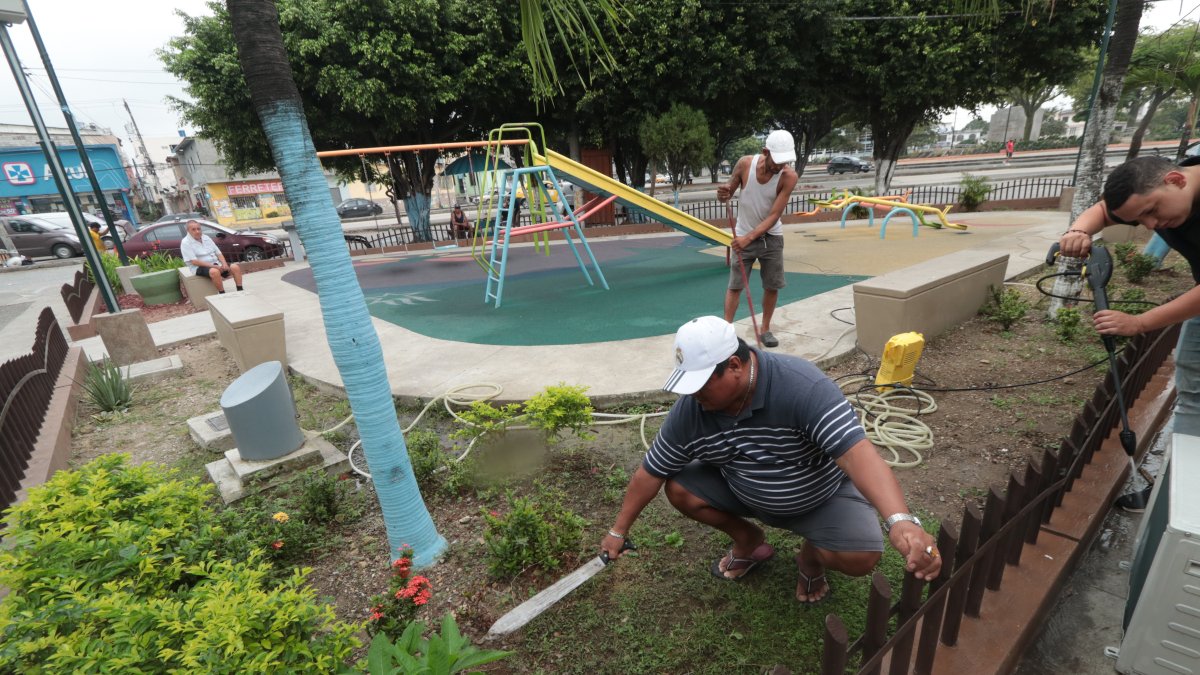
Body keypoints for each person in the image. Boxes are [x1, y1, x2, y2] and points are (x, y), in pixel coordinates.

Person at [601, 316, 941, 604]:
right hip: (743, 491)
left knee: (861, 557)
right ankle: (749, 540)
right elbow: (651, 472)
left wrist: (900, 520)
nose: (693, 396)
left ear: (734, 366)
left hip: (819, 497)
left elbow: (857, 455)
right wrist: (618, 531)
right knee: (679, 488)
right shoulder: (693, 410)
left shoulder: (802, 387)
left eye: (701, 385)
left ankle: (810, 558)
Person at [1057, 154, 1200, 434]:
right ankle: (1186, 469)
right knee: (1193, 390)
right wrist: (1078, 230)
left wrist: (1140, 323)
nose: (1150, 225)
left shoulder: (1164, 190)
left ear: (1176, 180)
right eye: (1140, 219)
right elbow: (1103, 209)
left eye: (1152, 211)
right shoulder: (1156, 192)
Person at [716, 130, 799, 348]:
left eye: (785, 161)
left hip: (771, 238)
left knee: (772, 285)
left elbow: (774, 215)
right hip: (743, 233)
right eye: (777, 161)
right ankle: (726, 331)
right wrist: (723, 193)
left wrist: (749, 238)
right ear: (765, 152)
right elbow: (729, 191)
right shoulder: (745, 164)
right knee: (735, 286)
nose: (780, 166)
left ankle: (765, 329)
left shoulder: (789, 177)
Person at [180, 219, 243, 293]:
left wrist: (224, 264)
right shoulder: (185, 242)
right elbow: (194, 262)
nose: (197, 231)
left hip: (215, 263)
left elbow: (218, 253)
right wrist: (215, 267)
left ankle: (240, 290)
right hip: (199, 267)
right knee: (214, 271)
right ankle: (222, 293)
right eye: (193, 229)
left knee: (235, 267)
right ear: (188, 230)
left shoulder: (206, 237)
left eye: (198, 229)